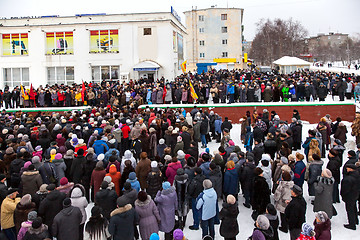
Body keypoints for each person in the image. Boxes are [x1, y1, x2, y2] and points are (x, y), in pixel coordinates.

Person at [340, 164, 360, 230]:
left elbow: (345, 190)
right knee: (354, 207)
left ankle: (352, 224)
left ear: (351, 169)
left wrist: (343, 195)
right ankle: (356, 221)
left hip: (349, 196)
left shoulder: (348, 179)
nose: (346, 169)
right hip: (355, 194)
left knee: (350, 210)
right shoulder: (357, 175)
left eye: (348, 168)